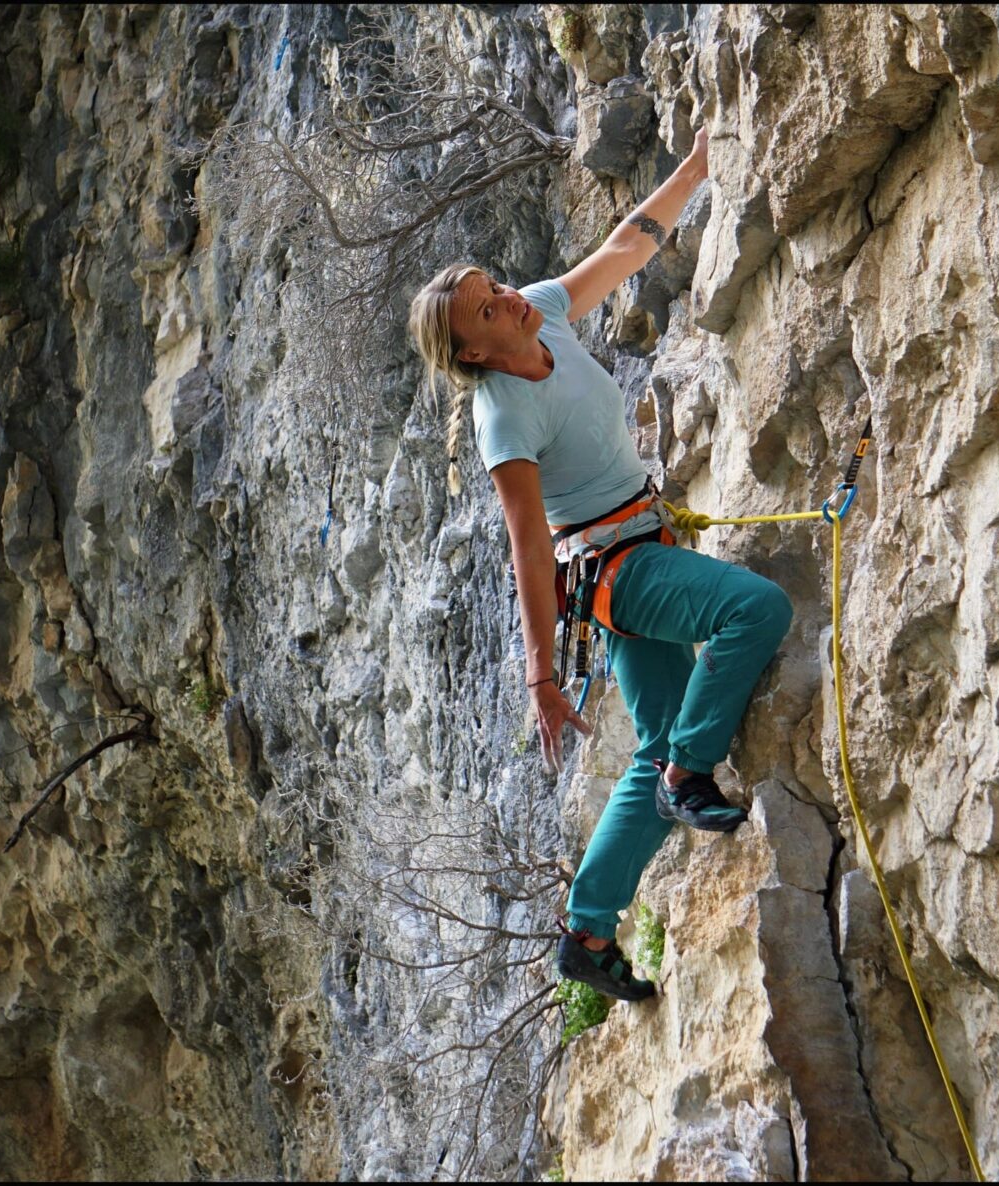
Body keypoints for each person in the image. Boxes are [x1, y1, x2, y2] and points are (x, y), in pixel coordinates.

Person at [404, 129, 794, 1002]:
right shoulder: (503, 419)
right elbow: (527, 548)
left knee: (650, 742)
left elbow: (621, 251)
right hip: (616, 572)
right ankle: (691, 776)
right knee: (756, 612)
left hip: (636, 546)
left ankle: (587, 932)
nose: (507, 297)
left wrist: (694, 170)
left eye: (493, 285)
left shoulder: (542, 310)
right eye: (488, 307)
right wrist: (542, 676)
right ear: (475, 351)